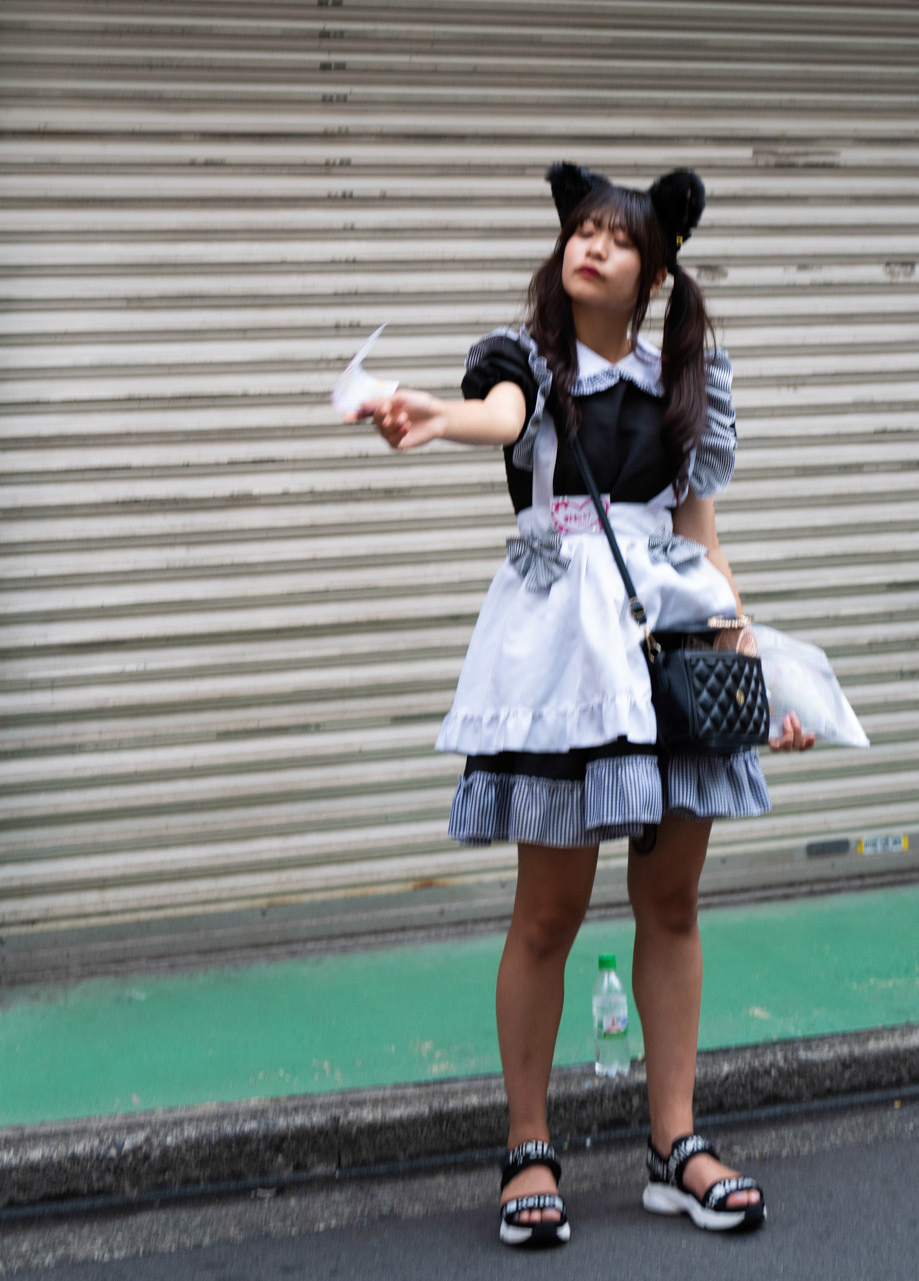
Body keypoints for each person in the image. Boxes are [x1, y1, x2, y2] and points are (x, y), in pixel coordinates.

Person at [349, 163, 816, 1249]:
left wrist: (756, 677)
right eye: (582, 231)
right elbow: (497, 414)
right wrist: (430, 414)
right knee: (548, 914)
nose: (591, 247)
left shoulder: (689, 375)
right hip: (561, 655)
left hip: (668, 637)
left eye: (616, 236)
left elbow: (698, 536)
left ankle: (675, 1146)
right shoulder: (525, 362)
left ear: (652, 270)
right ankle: (527, 1147)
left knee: (674, 904)